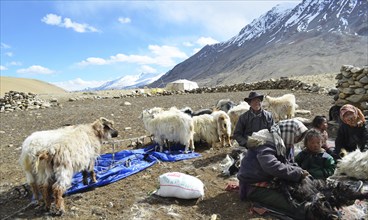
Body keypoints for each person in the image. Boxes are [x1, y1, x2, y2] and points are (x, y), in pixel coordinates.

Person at [237, 119, 309, 220]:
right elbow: (271, 166)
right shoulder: (265, 144)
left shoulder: (281, 144)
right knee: (292, 204)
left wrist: (299, 171)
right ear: (289, 133)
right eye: (295, 138)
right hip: (253, 187)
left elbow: (288, 163)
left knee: (300, 194)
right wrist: (296, 173)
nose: (295, 141)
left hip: (269, 180)